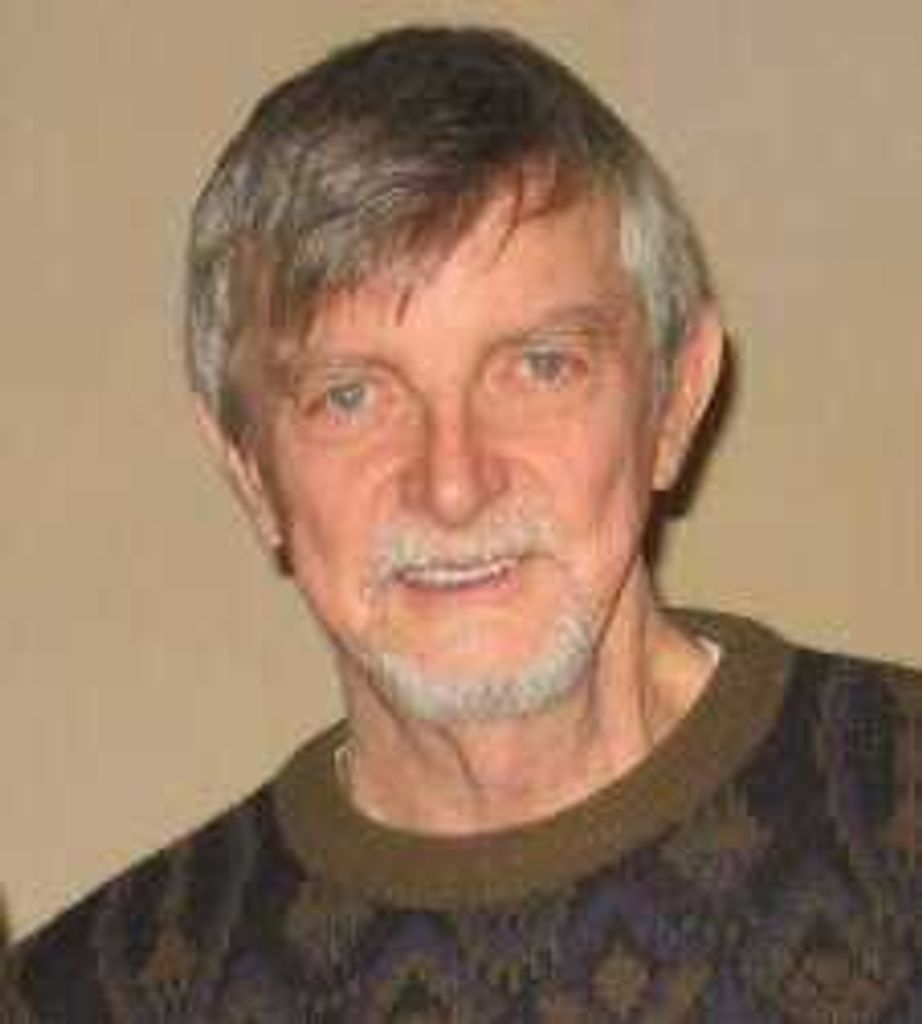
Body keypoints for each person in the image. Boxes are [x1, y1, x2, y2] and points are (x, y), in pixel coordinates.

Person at [3, 24, 920, 1021]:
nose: (454, 484)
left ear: (675, 401)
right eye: (352, 396)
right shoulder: (95, 995)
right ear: (251, 471)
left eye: (540, 367)